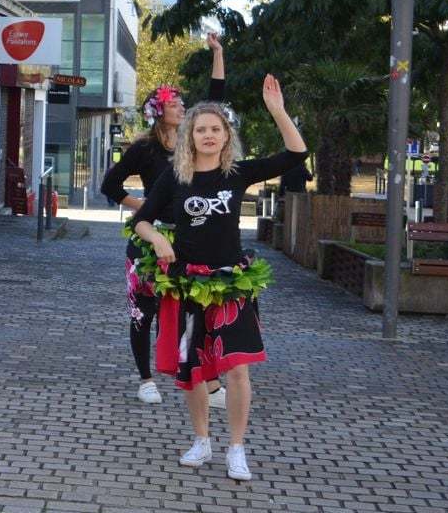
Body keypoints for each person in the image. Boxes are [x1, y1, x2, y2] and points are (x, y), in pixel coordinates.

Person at [132, 76, 306, 482]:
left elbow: (297, 153)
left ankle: (237, 448)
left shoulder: (238, 173)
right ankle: (201, 440)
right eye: (201, 130)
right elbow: (141, 220)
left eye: (215, 129)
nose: (208, 135)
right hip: (187, 284)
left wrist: (278, 111)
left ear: (226, 136)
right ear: (189, 137)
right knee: (192, 369)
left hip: (230, 285)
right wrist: (157, 237)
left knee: (237, 369)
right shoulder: (175, 177)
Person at [100, 33, 227, 407]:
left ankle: (205, 380)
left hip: (188, 238)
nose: (182, 107)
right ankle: (146, 379)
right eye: (174, 103)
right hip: (149, 238)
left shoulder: (191, 144)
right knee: (144, 312)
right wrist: (140, 205)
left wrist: (217, 54)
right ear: (159, 111)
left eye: (182, 103)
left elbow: (215, 101)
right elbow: (110, 184)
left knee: (193, 309)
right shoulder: (144, 148)